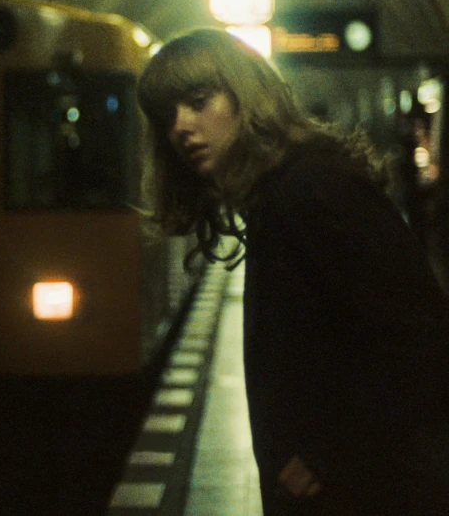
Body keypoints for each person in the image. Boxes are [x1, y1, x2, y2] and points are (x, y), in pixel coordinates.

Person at [137, 27, 449, 516]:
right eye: (166, 115)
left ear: (247, 96)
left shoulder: (309, 190)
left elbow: (422, 338)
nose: (180, 126)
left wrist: (325, 457)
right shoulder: (279, 195)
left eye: (198, 101)